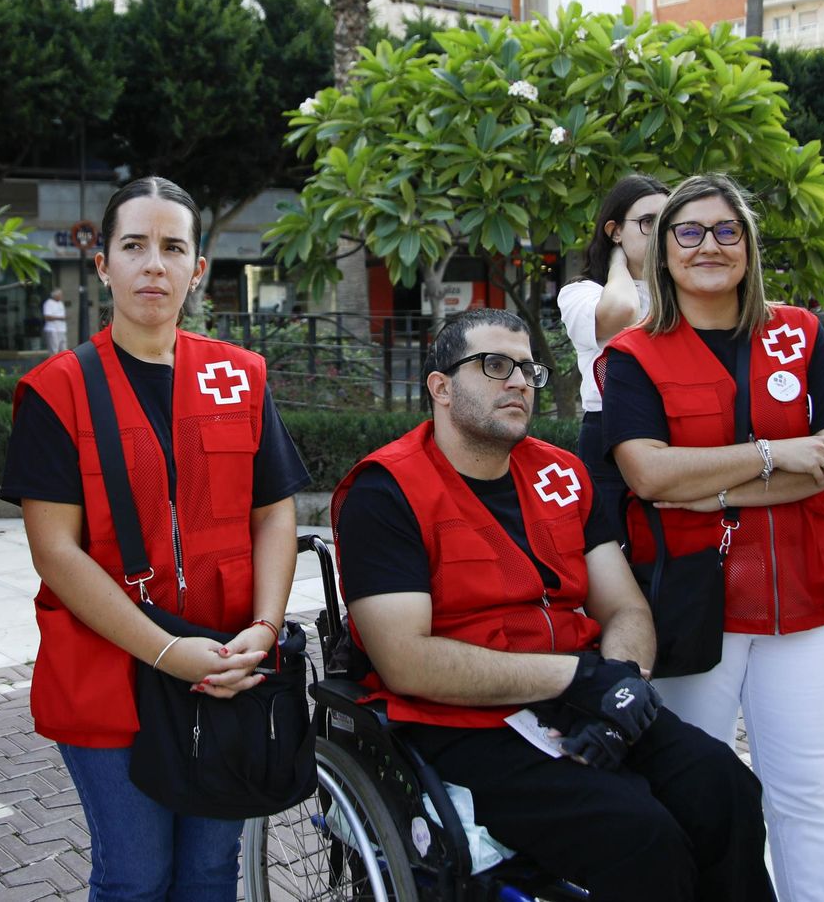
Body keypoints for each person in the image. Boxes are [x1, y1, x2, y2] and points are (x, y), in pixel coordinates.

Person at [332, 307, 775, 902]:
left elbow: (625, 608)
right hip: (465, 720)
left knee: (726, 788)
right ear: (439, 387)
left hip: (582, 694)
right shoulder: (385, 491)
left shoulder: (561, 473)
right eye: (494, 365)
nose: (518, 380)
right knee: (642, 837)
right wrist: (580, 678)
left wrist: (620, 686)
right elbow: (405, 660)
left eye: (526, 368)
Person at [1, 176, 310, 902]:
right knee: (136, 876)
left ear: (199, 269)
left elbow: (273, 513)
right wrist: (166, 652)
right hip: (109, 669)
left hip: (224, 661)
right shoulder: (57, 389)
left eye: (174, 248)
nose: (154, 265)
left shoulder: (240, 378)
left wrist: (263, 629)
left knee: (208, 872)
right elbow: (56, 552)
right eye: (133, 246)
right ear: (102, 263)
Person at [603, 175, 824, 902]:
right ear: (663, 252)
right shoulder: (632, 356)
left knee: (803, 795)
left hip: (803, 602)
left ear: (748, 249)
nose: (709, 245)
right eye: (688, 232)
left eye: (727, 231)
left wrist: (710, 487)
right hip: (695, 604)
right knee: (699, 796)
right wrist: (776, 455)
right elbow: (647, 473)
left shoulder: (801, 333)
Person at [557, 174, 669, 542]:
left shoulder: (684, 293)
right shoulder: (581, 293)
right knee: (616, 551)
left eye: (669, 222)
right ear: (614, 231)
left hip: (677, 428)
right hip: (609, 433)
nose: (661, 233)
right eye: (648, 222)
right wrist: (619, 262)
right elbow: (620, 310)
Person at [42, 286, 67, 354]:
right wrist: (60, 318)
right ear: (55, 295)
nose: (61, 296)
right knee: (54, 350)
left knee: (63, 350)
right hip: (52, 329)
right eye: (60, 295)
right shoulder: (48, 303)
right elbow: (47, 317)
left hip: (62, 329)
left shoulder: (61, 303)